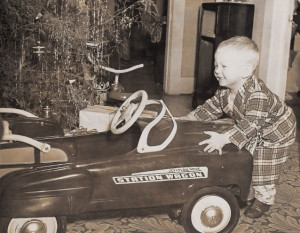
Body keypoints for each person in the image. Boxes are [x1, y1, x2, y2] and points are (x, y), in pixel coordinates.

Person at [178, 36, 296, 219]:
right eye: (216, 65)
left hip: (276, 132)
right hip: (254, 127)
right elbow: (209, 109)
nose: (217, 71)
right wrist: (185, 119)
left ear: (246, 70)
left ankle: (264, 199)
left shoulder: (257, 95)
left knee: (263, 165)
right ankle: (240, 186)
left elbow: (251, 125)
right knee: (242, 156)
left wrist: (225, 138)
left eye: (224, 66)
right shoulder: (224, 92)